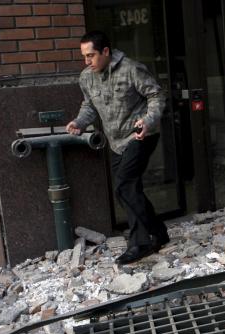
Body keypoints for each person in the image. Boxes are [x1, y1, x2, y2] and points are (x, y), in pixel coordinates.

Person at [66, 30, 169, 265]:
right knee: (128, 189)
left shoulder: (131, 69)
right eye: (84, 56)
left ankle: (140, 244)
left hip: (140, 134)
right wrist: (79, 123)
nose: (86, 61)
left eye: (91, 55)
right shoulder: (86, 77)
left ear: (105, 51)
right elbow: (89, 106)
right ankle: (159, 232)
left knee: (124, 185)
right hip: (115, 141)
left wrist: (148, 120)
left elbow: (156, 95)